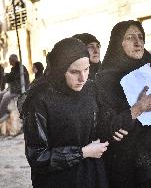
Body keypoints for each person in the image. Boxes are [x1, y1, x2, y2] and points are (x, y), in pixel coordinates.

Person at [95, 20, 151, 188]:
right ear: (118, 42)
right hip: (130, 167)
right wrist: (138, 108)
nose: (138, 42)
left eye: (140, 37)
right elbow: (108, 127)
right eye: (130, 37)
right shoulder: (105, 81)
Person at [19, 38, 109, 188]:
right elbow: (37, 156)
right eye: (74, 72)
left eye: (86, 69)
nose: (82, 78)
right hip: (58, 181)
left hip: (92, 175)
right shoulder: (40, 101)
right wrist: (82, 152)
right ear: (60, 70)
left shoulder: (90, 90)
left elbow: (97, 127)